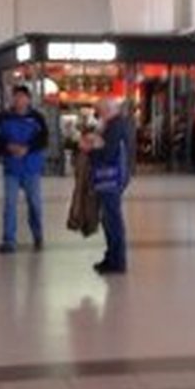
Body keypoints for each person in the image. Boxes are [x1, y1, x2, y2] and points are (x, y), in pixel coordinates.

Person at [0, 84, 49, 252]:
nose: (19, 100)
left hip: (31, 168)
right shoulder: (4, 117)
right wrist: (8, 147)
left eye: (22, 97)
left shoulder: (37, 118)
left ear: (28, 99)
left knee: (34, 204)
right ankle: (9, 240)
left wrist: (27, 148)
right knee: (9, 205)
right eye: (16, 96)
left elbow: (43, 139)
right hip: (11, 168)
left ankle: (38, 235)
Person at [89, 97, 132, 275]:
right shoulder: (114, 125)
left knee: (112, 219)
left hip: (111, 179)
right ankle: (112, 257)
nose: (98, 115)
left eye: (99, 111)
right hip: (111, 179)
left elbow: (107, 154)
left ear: (108, 110)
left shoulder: (115, 126)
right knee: (109, 219)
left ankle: (117, 261)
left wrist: (92, 147)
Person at [66, 126, 100, 238]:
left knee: (84, 195)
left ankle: (84, 222)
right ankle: (81, 221)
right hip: (84, 168)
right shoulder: (81, 155)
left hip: (88, 173)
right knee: (81, 193)